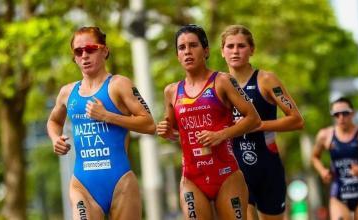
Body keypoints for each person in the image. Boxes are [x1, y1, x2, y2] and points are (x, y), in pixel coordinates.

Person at [46, 26, 155, 219]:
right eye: (78, 51)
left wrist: (107, 116)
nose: (84, 55)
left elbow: (149, 124)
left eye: (90, 49)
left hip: (120, 182)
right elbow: (54, 120)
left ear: (104, 50)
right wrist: (55, 138)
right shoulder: (67, 92)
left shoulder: (119, 85)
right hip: (82, 184)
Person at [156, 24, 261, 220]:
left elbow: (253, 119)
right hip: (192, 178)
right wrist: (165, 130)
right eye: (182, 48)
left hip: (226, 174)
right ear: (177, 55)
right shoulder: (171, 91)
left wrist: (220, 135)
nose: (187, 52)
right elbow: (173, 131)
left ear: (205, 51)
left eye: (193, 45)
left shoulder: (222, 81)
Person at [220, 25, 304, 220]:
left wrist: (257, 125)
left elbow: (296, 120)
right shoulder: (218, 84)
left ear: (252, 50)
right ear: (222, 52)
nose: (235, 51)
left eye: (241, 46)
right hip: (235, 169)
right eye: (230, 46)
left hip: (267, 166)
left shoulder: (266, 80)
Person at [311, 97, 358, 220]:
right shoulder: (325, 135)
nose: (341, 118)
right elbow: (314, 157)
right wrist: (322, 171)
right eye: (336, 114)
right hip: (338, 193)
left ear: (352, 113)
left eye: (345, 113)